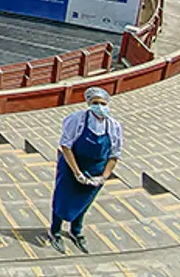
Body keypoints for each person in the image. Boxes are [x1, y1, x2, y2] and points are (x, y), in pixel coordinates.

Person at [48, 87, 123, 254]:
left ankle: (76, 231)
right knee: (62, 199)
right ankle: (55, 230)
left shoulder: (114, 126)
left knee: (85, 201)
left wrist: (103, 177)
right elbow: (66, 145)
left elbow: (114, 154)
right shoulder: (77, 119)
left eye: (103, 103)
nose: (100, 107)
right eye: (95, 103)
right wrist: (77, 172)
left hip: (96, 169)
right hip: (72, 165)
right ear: (89, 103)